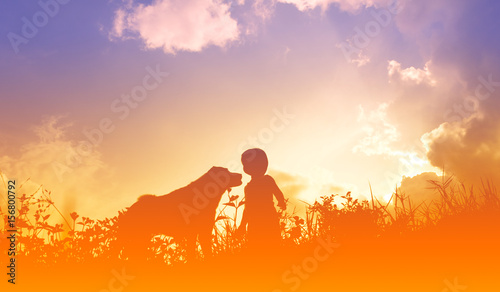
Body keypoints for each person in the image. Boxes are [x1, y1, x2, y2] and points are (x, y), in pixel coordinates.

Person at [237, 148, 286, 250]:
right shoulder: (250, 187)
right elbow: (247, 208)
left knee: (271, 245)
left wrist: (281, 201)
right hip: (257, 222)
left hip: (265, 220)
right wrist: (242, 225)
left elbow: (277, 193)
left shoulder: (265, 181)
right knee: (259, 247)